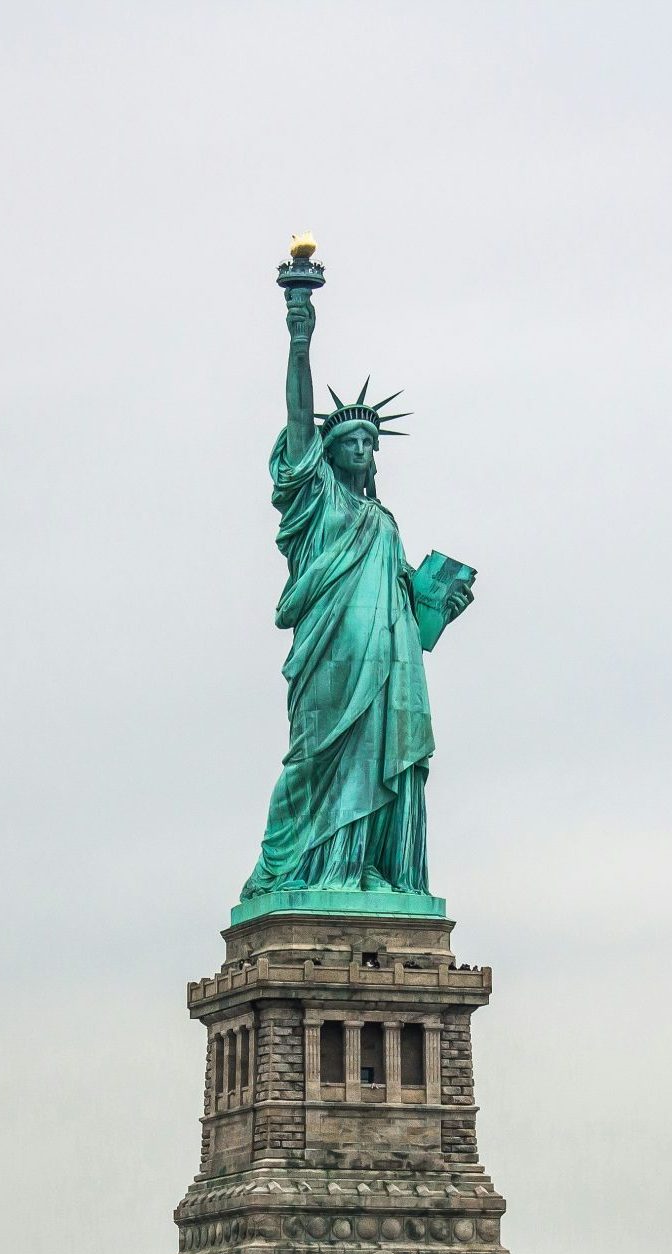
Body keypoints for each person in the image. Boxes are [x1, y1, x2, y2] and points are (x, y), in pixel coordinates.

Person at [240, 270, 475, 903]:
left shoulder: (385, 523)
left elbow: (408, 608)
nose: (364, 449)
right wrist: (299, 334)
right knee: (318, 757)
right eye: (351, 441)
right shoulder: (315, 500)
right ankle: (309, 868)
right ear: (330, 451)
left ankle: (368, 866)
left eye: (372, 442)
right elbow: (297, 419)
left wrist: (438, 603)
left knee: (379, 756)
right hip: (333, 656)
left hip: (390, 661)